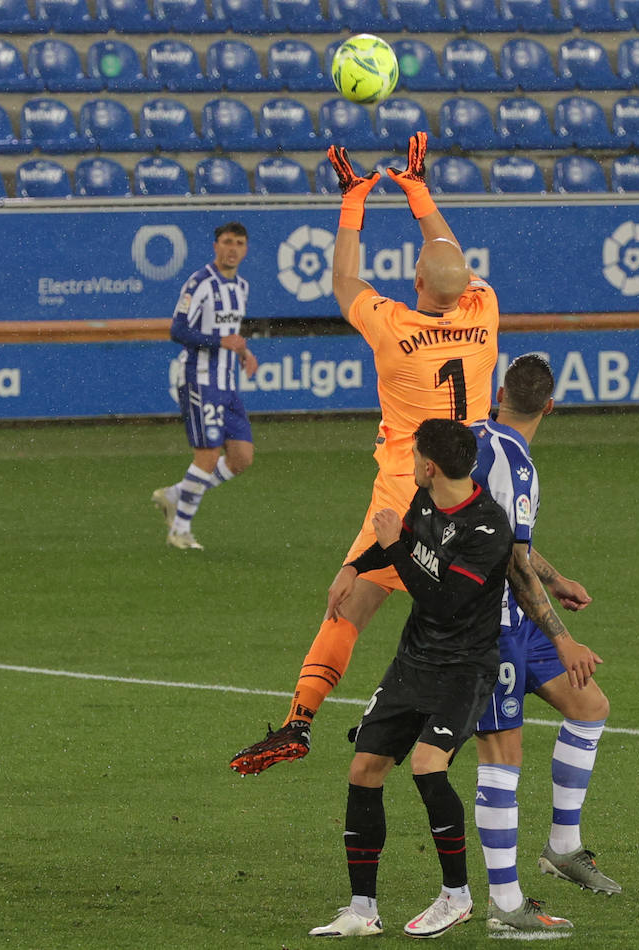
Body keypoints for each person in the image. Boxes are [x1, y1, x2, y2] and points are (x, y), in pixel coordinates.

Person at [230, 132, 500, 775]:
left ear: (413, 282)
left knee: (349, 603)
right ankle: (456, 718)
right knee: (468, 609)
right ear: (464, 286)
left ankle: (299, 722)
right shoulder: (486, 312)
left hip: (407, 492)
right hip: (471, 491)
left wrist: (354, 200)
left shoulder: (391, 326)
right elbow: (448, 257)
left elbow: (343, 277)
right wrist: (418, 190)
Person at [308, 419, 514, 939]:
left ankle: (457, 896)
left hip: (463, 668)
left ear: (429, 466)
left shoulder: (488, 527)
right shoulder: (426, 502)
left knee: (427, 767)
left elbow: (444, 602)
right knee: (364, 770)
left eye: (416, 454)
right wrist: (354, 566)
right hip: (413, 662)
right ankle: (362, 909)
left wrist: (391, 547)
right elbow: (396, 546)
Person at [467, 355, 618, 939]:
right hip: (492, 628)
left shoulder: (477, 438)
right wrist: (565, 635)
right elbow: (510, 561)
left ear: (501, 392)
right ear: (550, 407)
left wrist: (553, 579)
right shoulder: (518, 465)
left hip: (517, 618)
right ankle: (503, 904)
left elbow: (511, 543)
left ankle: (563, 848)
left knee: (590, 708)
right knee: (500, 761)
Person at [152, 221, 257, 551]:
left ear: (246, 249)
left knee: (241, 458)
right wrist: (218, 342)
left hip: (227, 382)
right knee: (208, 455)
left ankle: (176, 494)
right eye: (227, 241)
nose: (232, 248)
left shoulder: (241, 287)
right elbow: (177, 330)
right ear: (215, 246)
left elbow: (230, 334)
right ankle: (179, 531)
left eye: (239, 243)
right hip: (200, 379)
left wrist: (243, 351)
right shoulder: (199, 282)